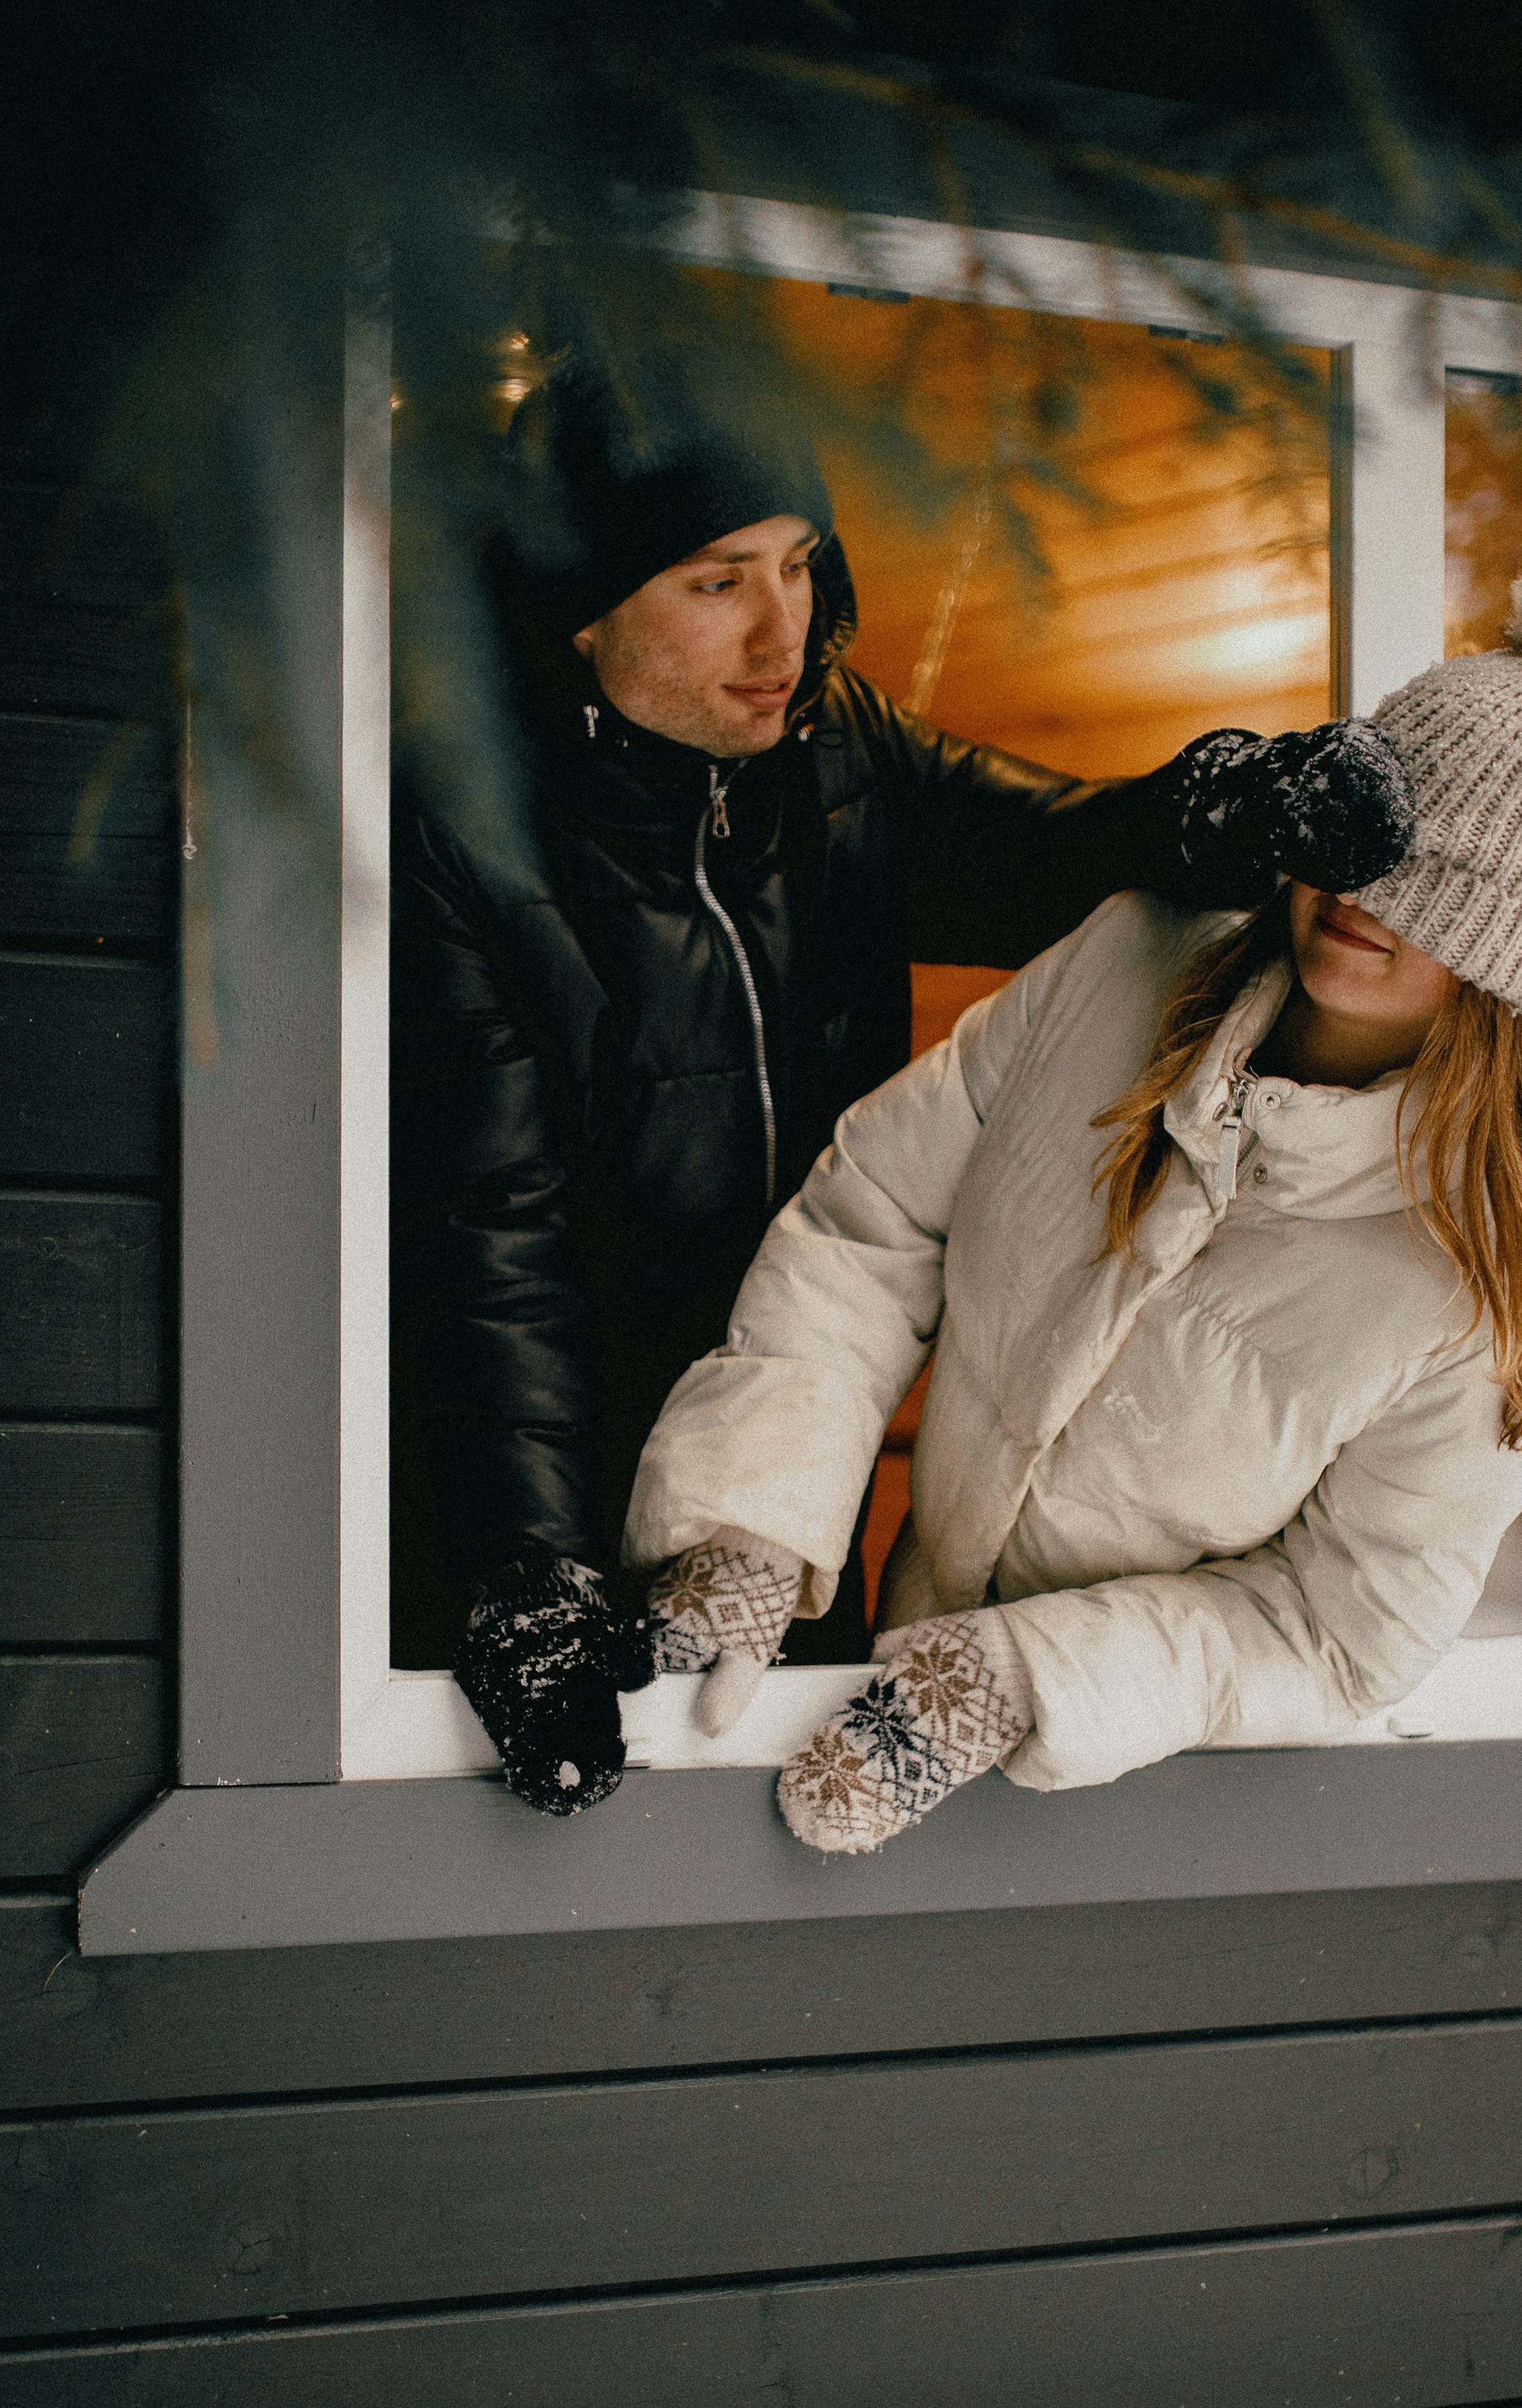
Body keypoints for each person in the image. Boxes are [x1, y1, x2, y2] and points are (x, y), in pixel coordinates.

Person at [393, 352, 1417, 1816]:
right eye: (716, 582)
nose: (782, 632)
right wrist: (524, 1574)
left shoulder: (836, 759)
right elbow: (490, 1234)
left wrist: (1225, 814)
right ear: (584, 605)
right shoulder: (467, 829)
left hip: (785, 1473)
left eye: (802, 568)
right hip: (538, 1497)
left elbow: (1050, 854)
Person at [628, 535, 1522, 1852]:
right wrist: (753, 1513)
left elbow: (1342, 1628)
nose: (1366, 891)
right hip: (865, 1675)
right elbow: (874, 1223)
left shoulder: (1484, 1276)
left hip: (1132, 1799)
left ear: (1515, 949)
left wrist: (1024, 1678)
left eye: (1445, 884)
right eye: (1363, 831)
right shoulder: (1124, 962)